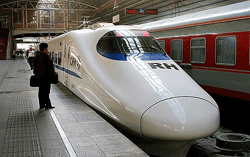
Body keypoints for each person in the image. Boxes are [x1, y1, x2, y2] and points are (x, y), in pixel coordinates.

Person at [33, 43, 55, 109]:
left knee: (41, 91)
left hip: (39, 77)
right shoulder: (46, 56)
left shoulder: (37, 57)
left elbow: (35, 68)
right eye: (47, 48)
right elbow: (51, 66)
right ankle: (48, 105)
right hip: (46, 77)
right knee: (46, 92)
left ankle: (41, 105)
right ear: (45, 49)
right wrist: (52, 72)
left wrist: (37, 74)